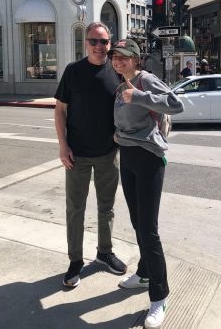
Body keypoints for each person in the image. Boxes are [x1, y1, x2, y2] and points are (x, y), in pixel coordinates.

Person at [108, 38, 184, 329]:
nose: (118, 61)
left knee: (149, 230)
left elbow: (175, 105)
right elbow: (125, 120)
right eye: (115, 56)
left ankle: (160, 296)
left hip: (149, 158)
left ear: (136, 59)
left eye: (125, 57)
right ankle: (143, 273)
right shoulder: (120, 85)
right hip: (128, 156)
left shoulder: (145, 80)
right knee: (138, 222)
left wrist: (139, 96)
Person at [54, 22, 127, 288]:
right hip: (77, 156)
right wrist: (63, 146)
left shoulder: (117, 72)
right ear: (85, 43)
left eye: (104, 42)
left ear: (110, 44)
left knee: (106, 208)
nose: (99, 46)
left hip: (109, 154)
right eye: (94, 41)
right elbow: (60, 110)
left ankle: (104, 253)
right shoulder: (73, 72)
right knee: (75, 209)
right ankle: (75, 260)